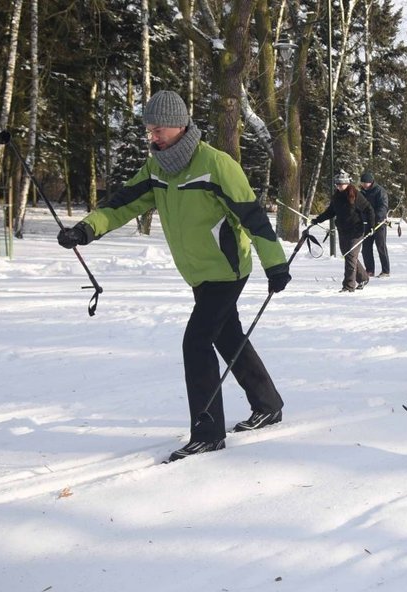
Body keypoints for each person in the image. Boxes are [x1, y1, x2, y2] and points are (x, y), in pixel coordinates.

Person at [56, 90, 291, 461]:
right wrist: (85, 230)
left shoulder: (217, 164)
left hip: (227, 270)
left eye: (158, 129)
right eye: (149, 129)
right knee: (227, 337)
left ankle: (208, 432)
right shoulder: (157, 168)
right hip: (197, 273)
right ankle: (268, 403)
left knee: (196, 342)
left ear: (180, 125)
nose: (152, 136)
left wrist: (275, 264)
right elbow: (122, 203)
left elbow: (253, 216)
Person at [310, 170, 374, 292]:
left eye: (342, 184)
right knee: (348, 256)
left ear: (347, 183)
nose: (339, 186)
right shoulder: (336, 196)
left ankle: (348, 286)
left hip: (356, 231)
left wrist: (370, 227)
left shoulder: (355, 194)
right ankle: (363, 278)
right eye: (337, 184)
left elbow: (369, 209)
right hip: (343, 231)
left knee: (350, 256)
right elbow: (330, 212)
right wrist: (317, 220)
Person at [359, 172, 390, 277]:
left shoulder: (380, 191)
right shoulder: (362, 192)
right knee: (366, 248)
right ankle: (369, 270)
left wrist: (377, 218)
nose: (364, 185)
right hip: (366, 224)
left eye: (365, 183)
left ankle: (385, 270)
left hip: (378, 223)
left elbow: (383, 206)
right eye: (362, 183)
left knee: (381, 246)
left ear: (371, 182)